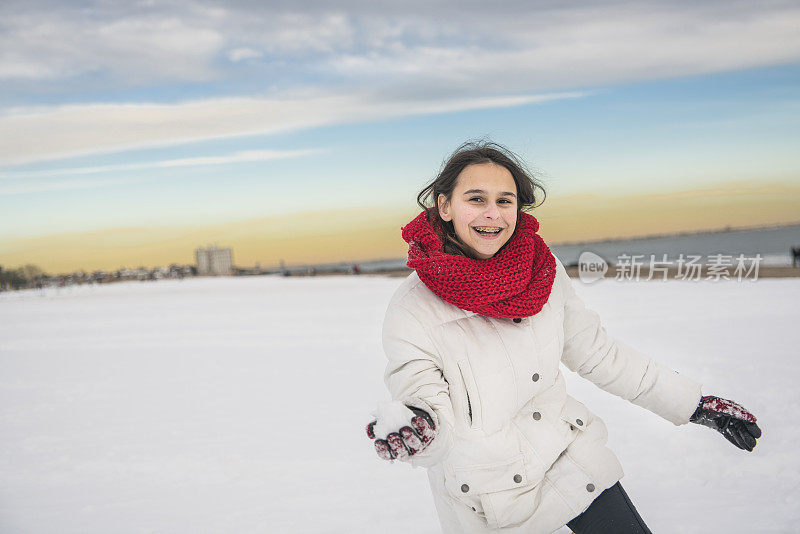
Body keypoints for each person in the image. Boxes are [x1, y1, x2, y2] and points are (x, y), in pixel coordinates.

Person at [365, 141, 762, 534]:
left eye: (506, 201)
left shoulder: (541, 268)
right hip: (490, 498)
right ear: (445, 206)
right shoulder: (412, 308)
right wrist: (421, 429)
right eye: (476, 199)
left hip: (568, 458)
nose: (493, 214)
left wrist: (692, 403)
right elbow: (423, 397)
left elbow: (598, 354)